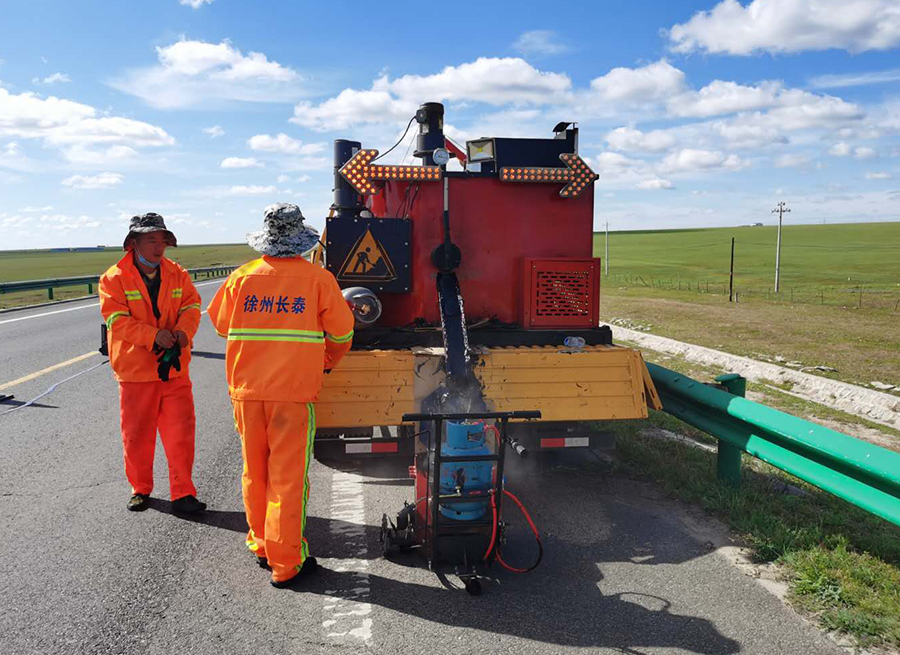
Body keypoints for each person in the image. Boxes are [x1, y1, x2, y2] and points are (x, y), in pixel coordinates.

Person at [206, 203, 354, 588]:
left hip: (246, 392)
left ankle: (260, 544)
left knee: (254, 471)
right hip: (292, 394)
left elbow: (220, 324)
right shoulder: (318, 280)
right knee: (287, 479)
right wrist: (326, 361)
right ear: (301, 240)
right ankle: (286, 562)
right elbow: (342, 333)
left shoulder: (242, 278)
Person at [99, 213, 206, 514]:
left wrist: (184, 332)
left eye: (162, 241)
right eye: (152, 241)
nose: (159, 248)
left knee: (180, 435)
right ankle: (140, 489)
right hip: (135, 374)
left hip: (174, 371)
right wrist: (153, 336)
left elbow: (192, 305)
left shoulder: (177, 273)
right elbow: (116, 320)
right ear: (134, 243)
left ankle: (183, 493)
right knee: (136, 437)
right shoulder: (114, 278)